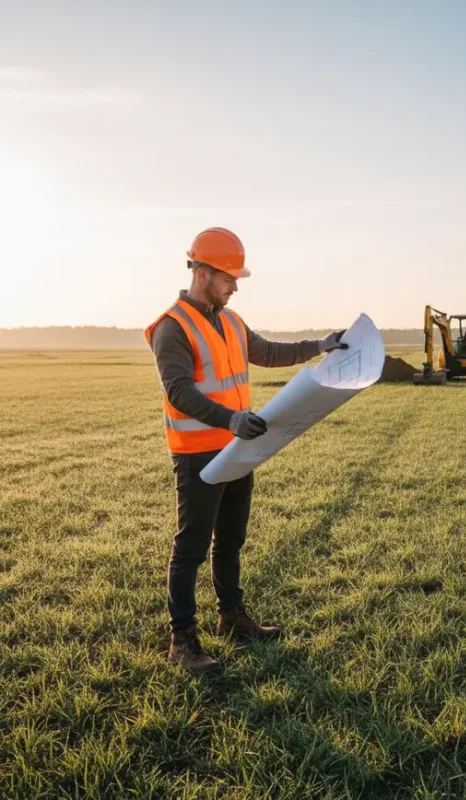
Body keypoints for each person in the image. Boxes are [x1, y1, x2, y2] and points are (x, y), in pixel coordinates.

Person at [145, 227, 347, 670]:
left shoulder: (232, 321)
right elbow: (179, 391)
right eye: (229, 278)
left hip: (238, 448)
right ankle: (182, 643)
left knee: (231, 540)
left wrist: (320, 346)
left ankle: (232, 619)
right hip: (199, 454)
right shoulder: (171, 328)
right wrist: (230, 418)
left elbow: (269, 351)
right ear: (202, 273)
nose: (235, 286)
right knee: (191, 547)